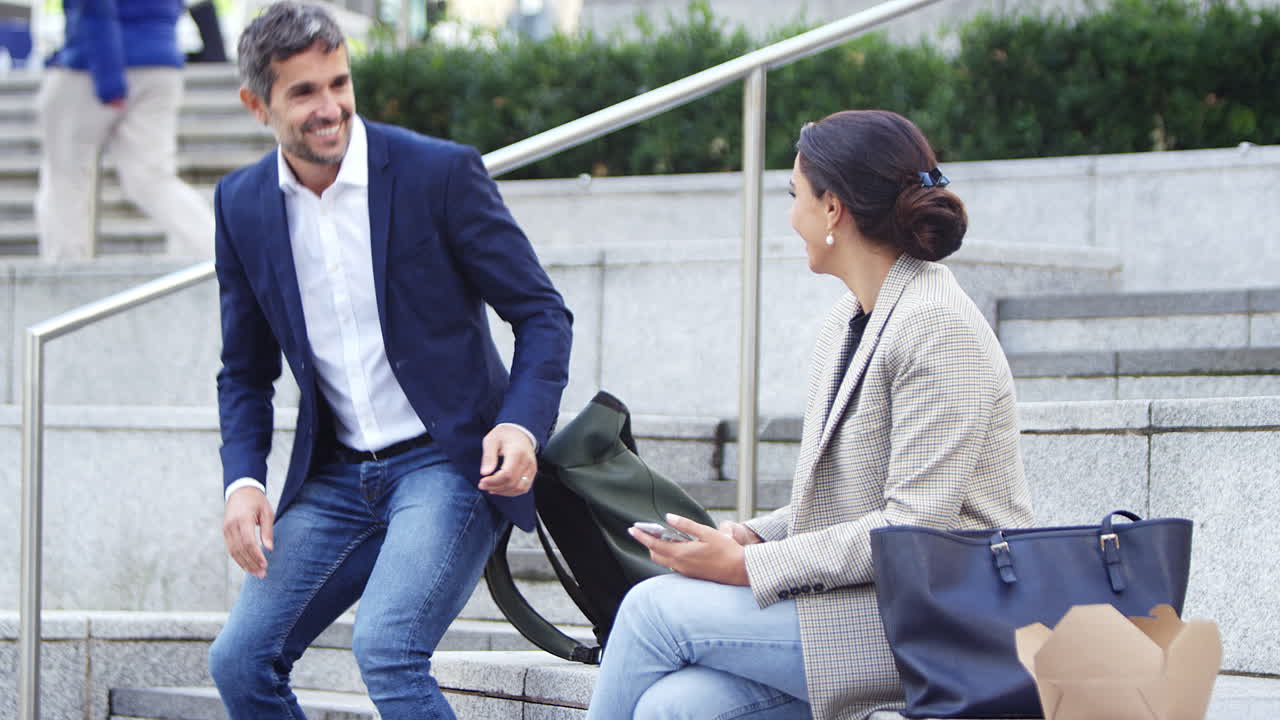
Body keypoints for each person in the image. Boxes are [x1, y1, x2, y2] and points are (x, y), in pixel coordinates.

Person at [586, 110, 1035, 720]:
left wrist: (748, 566)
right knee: (677, 706)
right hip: (864, 607)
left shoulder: (936, 325)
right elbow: (852, 499)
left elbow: (913, 529)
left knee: (649, 610)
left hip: (939, 624)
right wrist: (752, 534)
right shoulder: (850, 319)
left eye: (794, 194)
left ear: (832, 210)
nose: (791, 216)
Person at [204, 3, 572, 718]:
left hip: (448, 464)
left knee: (387, 648)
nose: (330, 107)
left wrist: (522, 426)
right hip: (337, 477)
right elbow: (245, 370)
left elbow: (541, 314)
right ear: (257, 104)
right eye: (303, 92)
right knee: (239, 662)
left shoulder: (438, 173)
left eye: (338, 83)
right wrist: (242, 481)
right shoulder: (241, 204)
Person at [35, 0, 215, 260]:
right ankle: (215, 252)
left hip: (96, 63)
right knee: (152, 178)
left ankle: (64, 274)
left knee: (66, 178)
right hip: (160, 59)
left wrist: (109, 78)